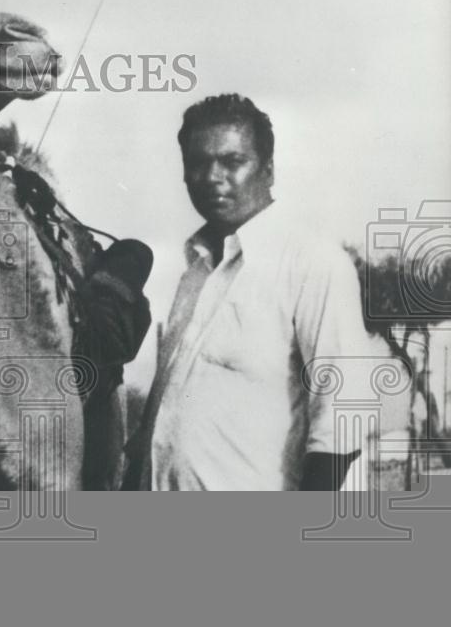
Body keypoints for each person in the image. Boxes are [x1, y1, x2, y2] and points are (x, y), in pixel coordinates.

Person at [124, 93, 372, 491]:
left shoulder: (312, 263)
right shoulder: (195, 272)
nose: (212, 176)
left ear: (268, 170)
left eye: (232, 161)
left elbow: (343, 421)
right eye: (198, 163)